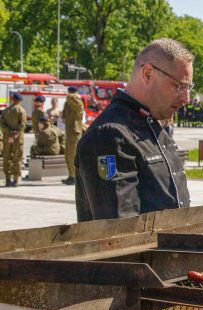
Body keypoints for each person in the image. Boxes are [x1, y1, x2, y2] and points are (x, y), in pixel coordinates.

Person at [75, 38, 193, 222]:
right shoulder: (110, 135)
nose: (186, 98)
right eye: (180, 86)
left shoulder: (149, 124)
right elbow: (120, 231)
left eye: (189, 88)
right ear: (147, 74)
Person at [0, 92, 26, 187]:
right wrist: (15, 133)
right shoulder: (21, 110)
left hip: (7, 138)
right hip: (17, 139)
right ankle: (15, 180)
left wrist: (9, 132)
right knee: (17, 159)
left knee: (6, 158)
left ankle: (7, 179)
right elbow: (23, 125)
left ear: (12, 99)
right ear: (18, 100)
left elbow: (2, 125)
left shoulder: (5, 111)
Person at [61, 86, 84, 185]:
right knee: (67, 155)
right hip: (69, 131)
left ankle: (75, 177)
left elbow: (73, 100)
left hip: (75, 132)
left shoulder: (78, 103)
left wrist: (73, 95)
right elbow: (64, 115)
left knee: (73, 155)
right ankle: (71, 175)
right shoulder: (69, 104)